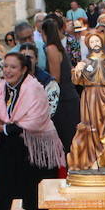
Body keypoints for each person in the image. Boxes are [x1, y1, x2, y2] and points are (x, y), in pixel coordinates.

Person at [0, 51, 64, 210]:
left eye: (13, 67)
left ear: (23, 70)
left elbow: (36, 120)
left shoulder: (34, 88)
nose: (8, 71)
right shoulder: (0, 89)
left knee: (32, 197)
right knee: (6, 195)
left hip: (34, 152)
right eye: (5, 66)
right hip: (9, 149)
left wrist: (4, 129)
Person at [66, 29, 105, 171]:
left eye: (97, 41)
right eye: (92, 42)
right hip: (91, 98)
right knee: (92, 131)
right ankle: (94, 161)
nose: (95, 43)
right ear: (88, 45)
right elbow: (76, 80)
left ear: (101, 42)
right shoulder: (85, 62)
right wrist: (78, 70)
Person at [41, 16, 81, 153]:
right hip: (68, 97)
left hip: (64, 100)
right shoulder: (58, 48)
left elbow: (55, 79)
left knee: (66, 141)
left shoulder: (51, 49)